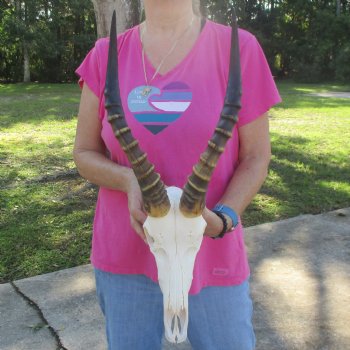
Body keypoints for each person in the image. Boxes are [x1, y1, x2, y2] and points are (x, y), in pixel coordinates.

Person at [73, 1, 281, 349]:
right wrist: (128, 180)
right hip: (126, 257)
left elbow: (256, 156)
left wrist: (224, 218)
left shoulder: (238, 49)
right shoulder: (105, 54)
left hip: (211, 258)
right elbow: (84, 153)